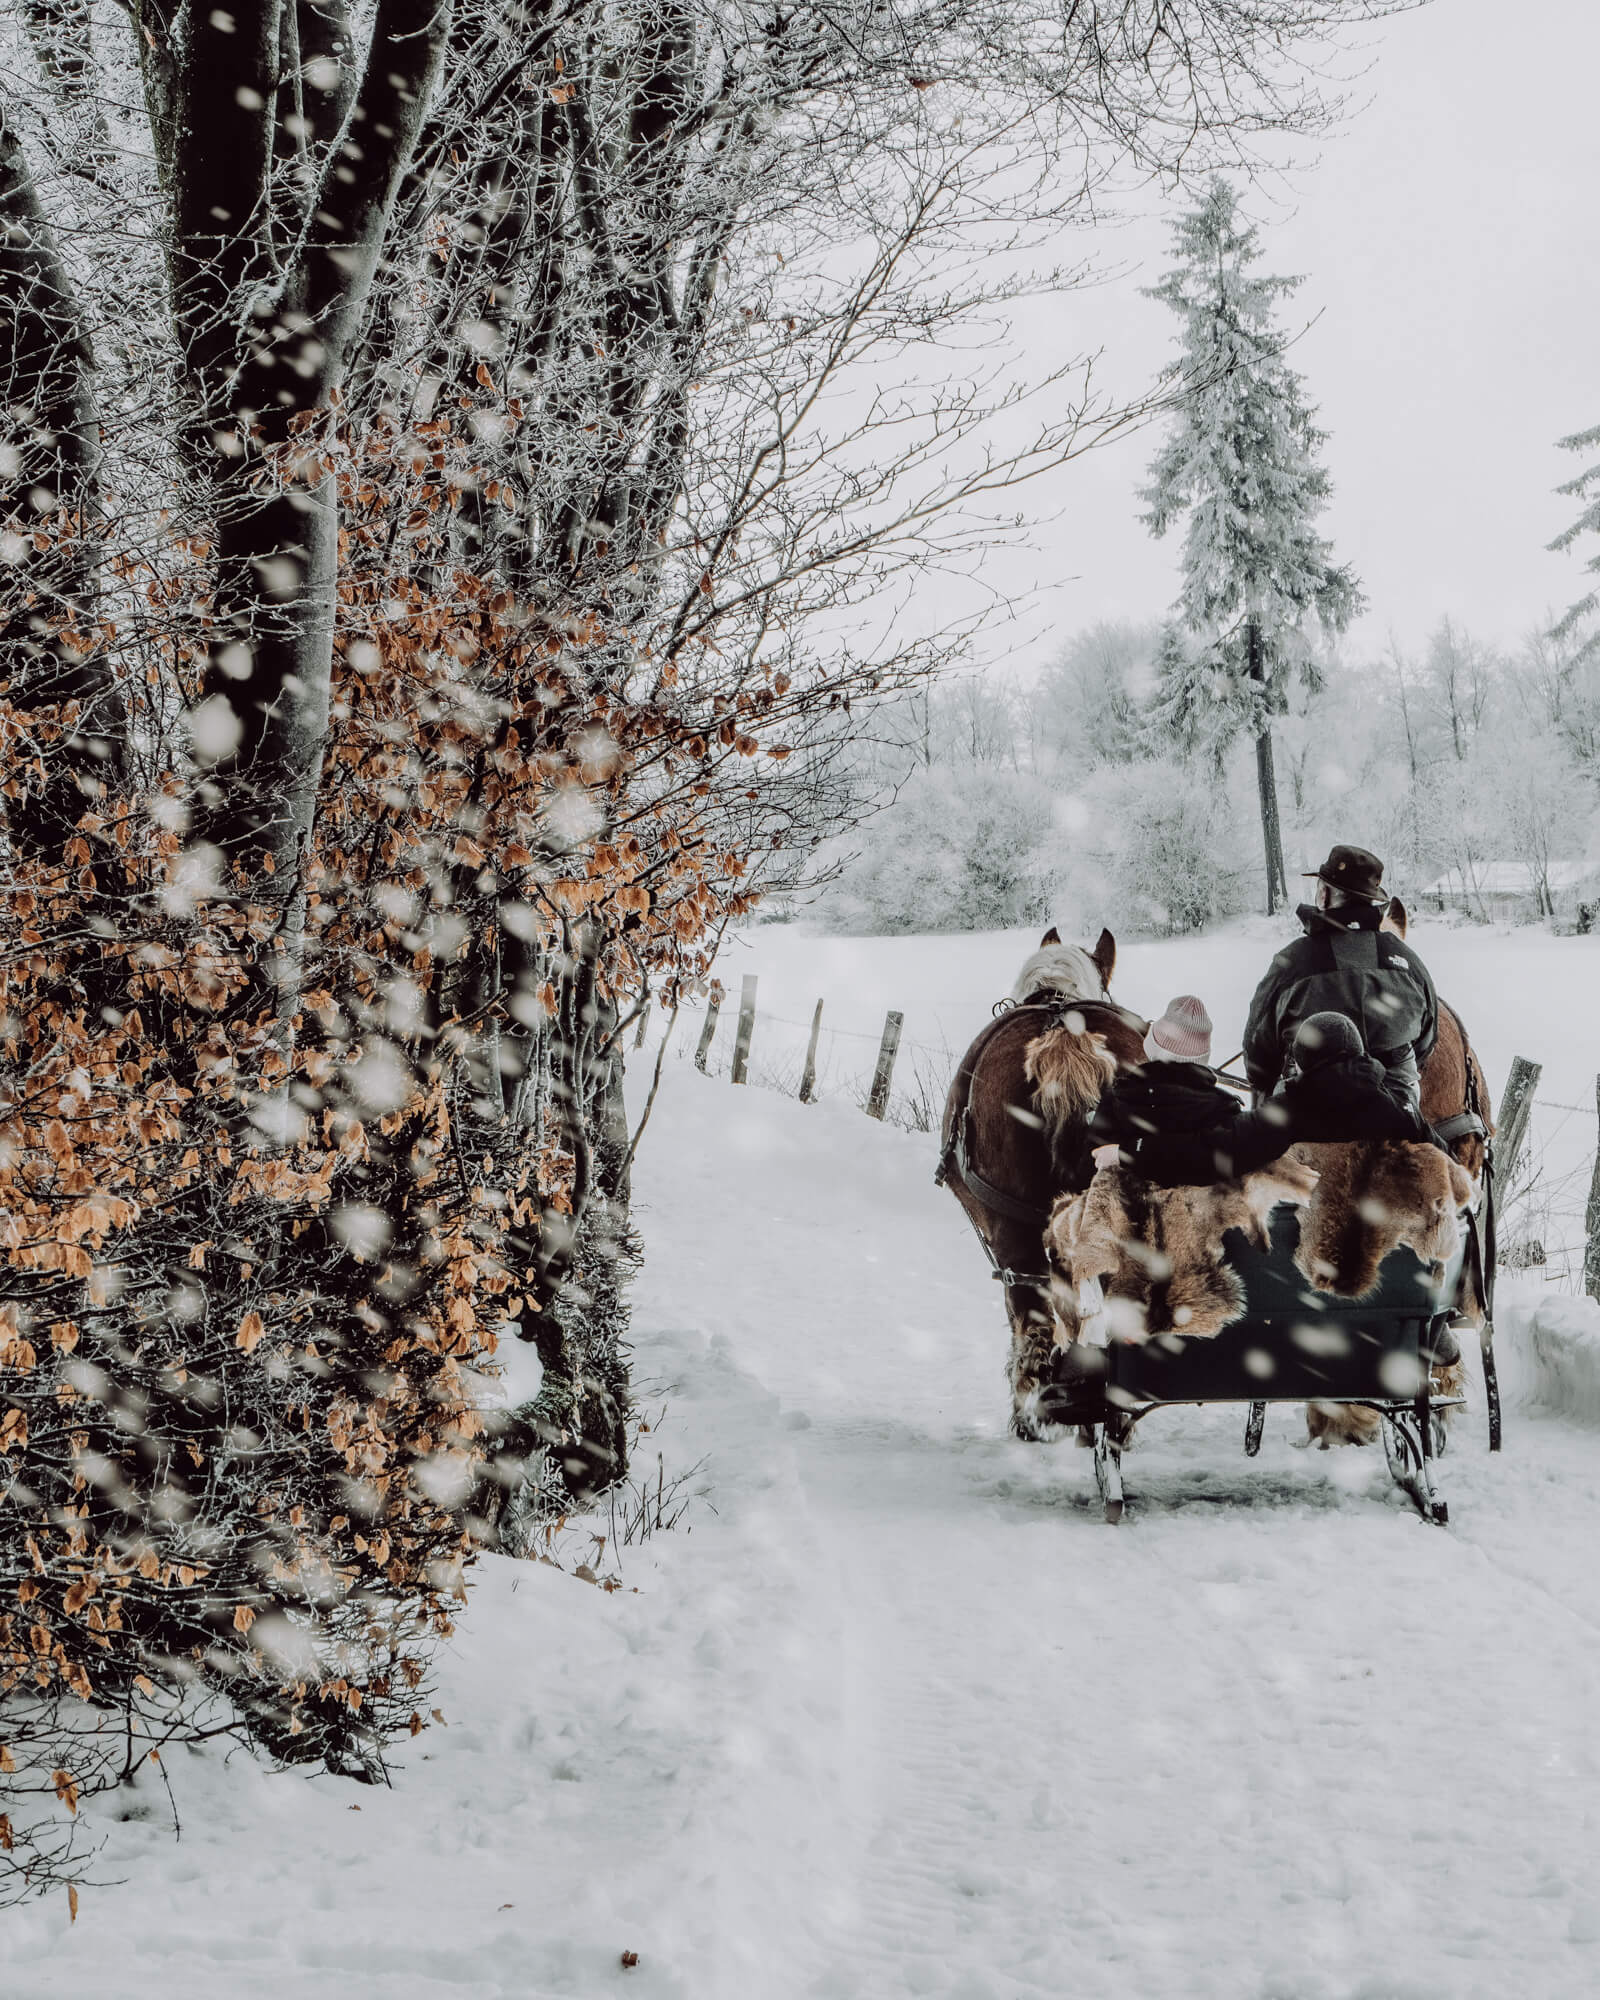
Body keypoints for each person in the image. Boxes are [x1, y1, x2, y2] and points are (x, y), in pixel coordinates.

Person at [1105, 1012, 1438, 1188]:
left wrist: (1131, 1152)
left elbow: (1208, 1154)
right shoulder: (1398, 1112)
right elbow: (1443, 1161)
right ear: (1359, 1052)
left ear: (1303, 1060)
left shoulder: (1285, 1116)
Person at [1242, 844, 1438, 1111]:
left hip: (1308, 1113)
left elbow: (1259, 1049)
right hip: (1394, 1108)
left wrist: (1264, 1086)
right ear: (1370, 899)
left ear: (1324, 895)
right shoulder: (1407, 960)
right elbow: (1426, 1041)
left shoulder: (1292, 964)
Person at [1068, 994, 1239, 1188]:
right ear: (1202, 1057)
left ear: (1152, 1048)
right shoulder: (1224, 1108)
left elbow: (1085, 1178)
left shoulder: (1119, 1100)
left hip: (1126, 1215)